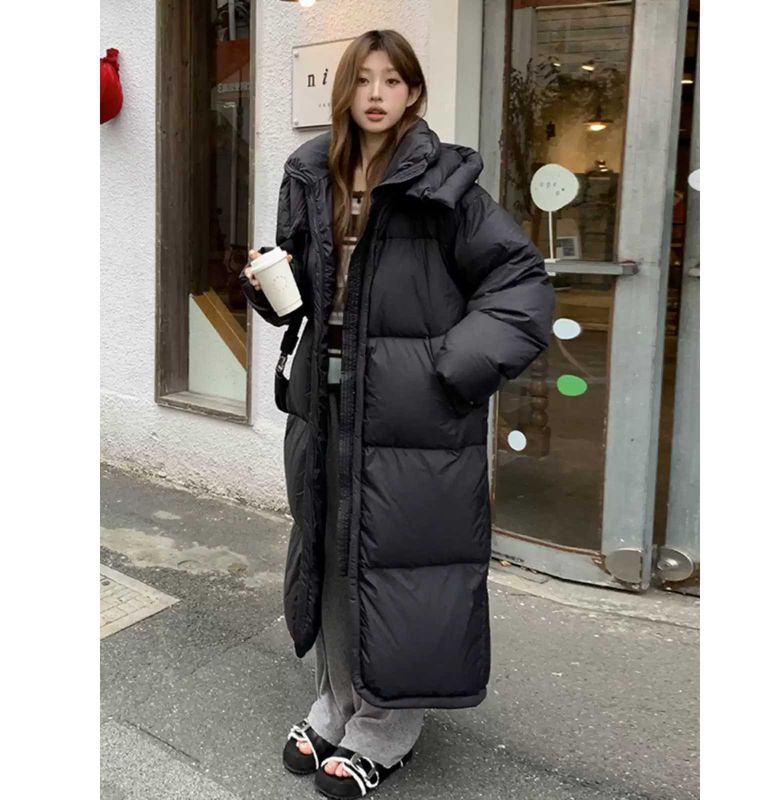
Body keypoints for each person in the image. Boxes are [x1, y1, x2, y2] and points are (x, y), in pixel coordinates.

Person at [241, 29, 555, 799]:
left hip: (411, 413)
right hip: (326, 404)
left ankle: (387, 726)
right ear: (345, 90)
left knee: (399, 565)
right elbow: (304, 293)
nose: (376, 94)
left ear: (413, 92)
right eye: (364, 79)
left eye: (392, 80)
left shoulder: (445, 183)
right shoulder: (312, 173)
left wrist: (449, 371)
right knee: (332, 553)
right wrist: (267, 288)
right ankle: (338, 700)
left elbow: (520, 284)